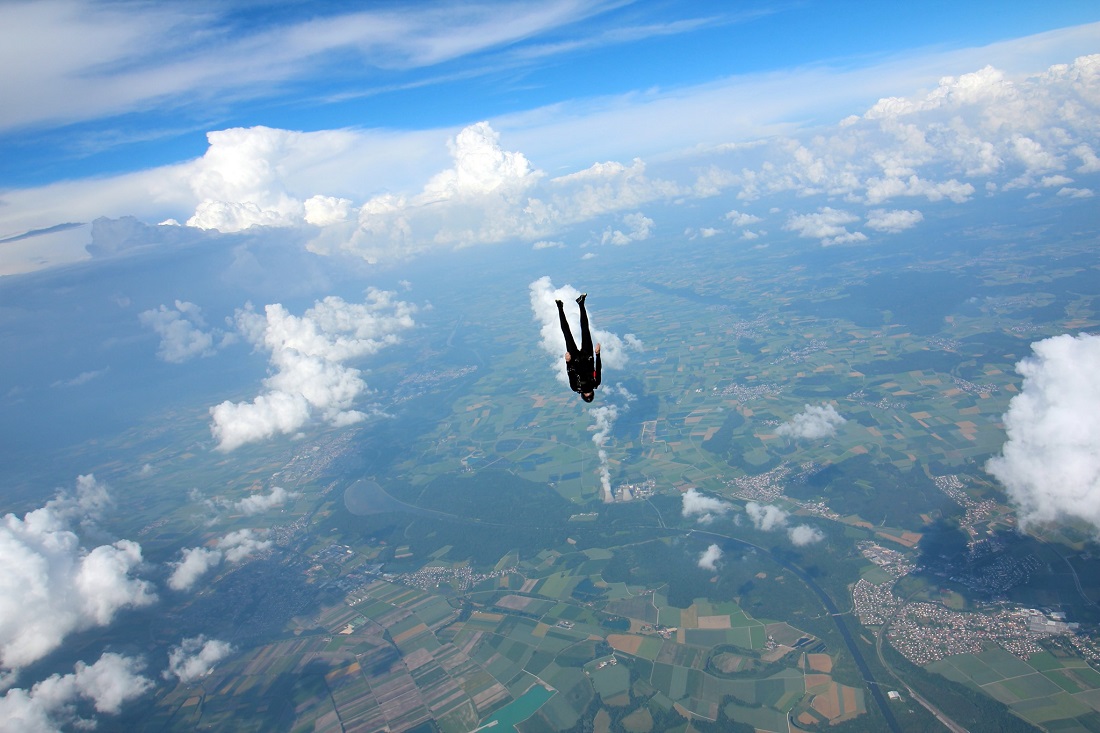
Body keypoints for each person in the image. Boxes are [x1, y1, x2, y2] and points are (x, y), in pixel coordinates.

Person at [556, 293, 601, 402]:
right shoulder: (594, 383)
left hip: (575, 359)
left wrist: (567, 361)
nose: (587, 391)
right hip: (588, 356)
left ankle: (560, 307)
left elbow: (570, 372)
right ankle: (581, 303)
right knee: (585, 329)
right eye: (589, 393)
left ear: (583, 395)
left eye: (586, 393)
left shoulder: (576, 387)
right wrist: (597, 354)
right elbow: (598, 368)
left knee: (567, 333)